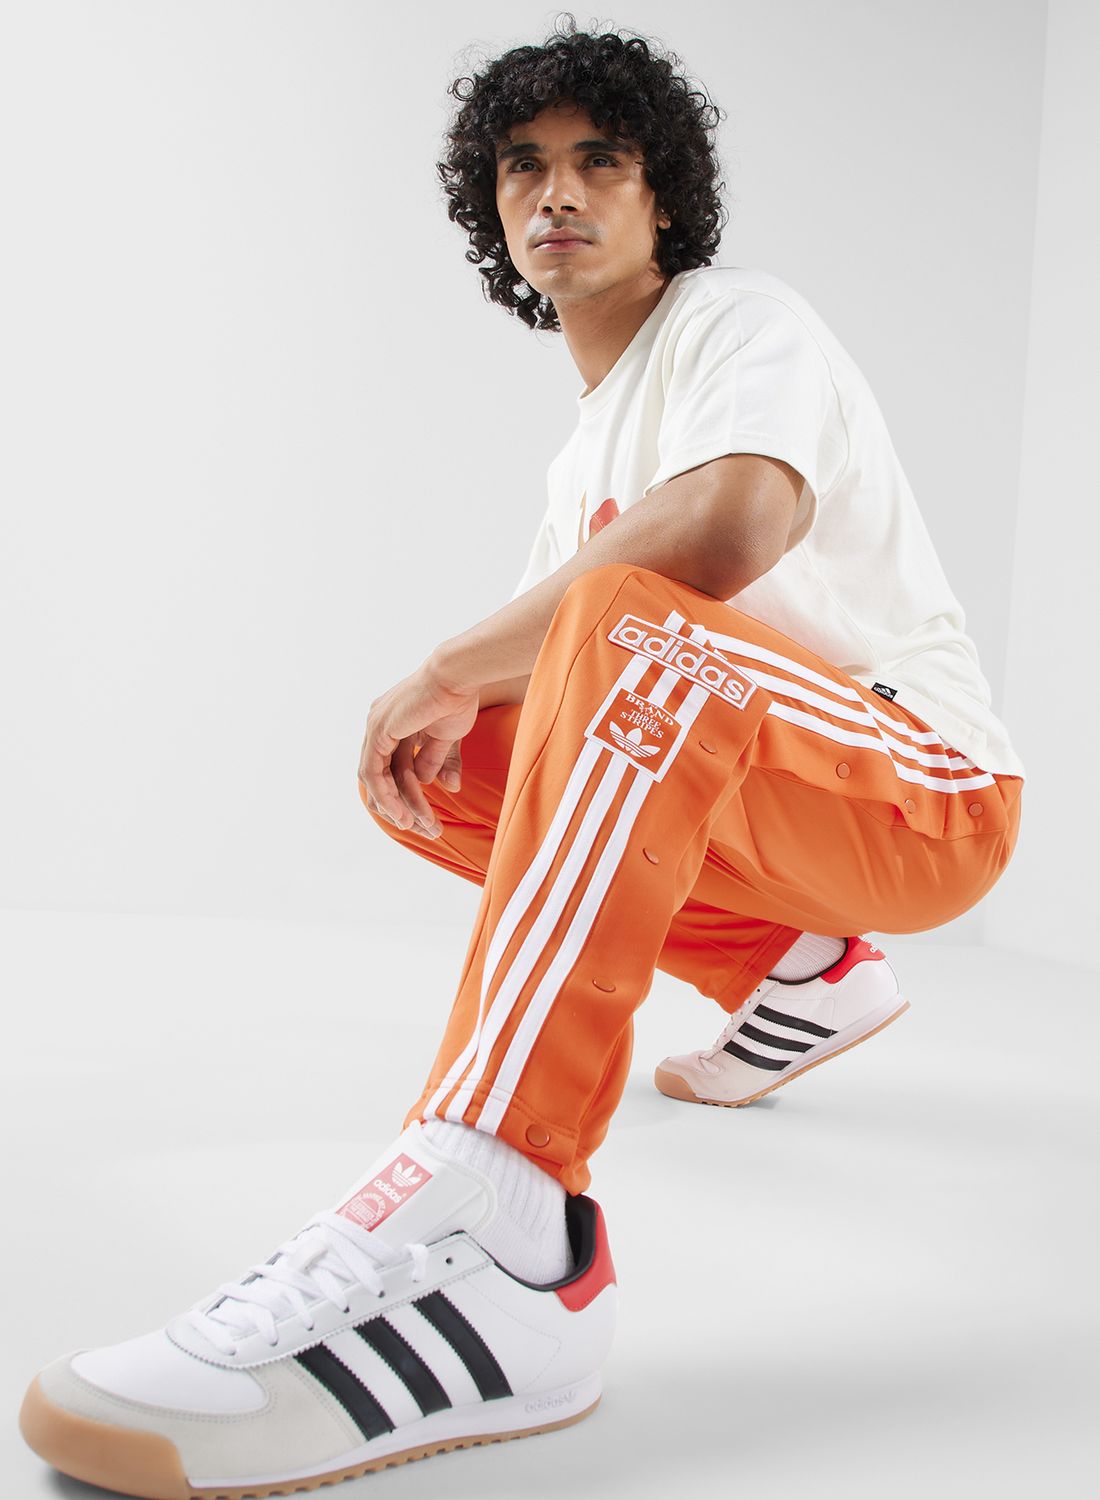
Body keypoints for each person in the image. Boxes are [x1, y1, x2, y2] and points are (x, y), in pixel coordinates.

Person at [19, 17, 1024, 1496]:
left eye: (600, 160)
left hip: (928, 789)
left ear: (663, 198)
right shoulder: (584, 459)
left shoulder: (740, 320)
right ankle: (797, 968)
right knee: (464, 759)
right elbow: (573, 727)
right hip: (791, 809)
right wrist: (456, 698)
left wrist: (442, 662)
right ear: (491, 208)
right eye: (522, 166)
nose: (557, 190)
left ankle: (503, 1213)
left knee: (611, 632)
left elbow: (733, 526)